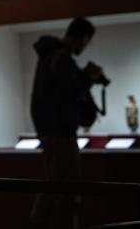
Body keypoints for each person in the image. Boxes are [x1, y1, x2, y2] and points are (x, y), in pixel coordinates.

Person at [28, 17, 100, 229]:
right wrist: (87, 79)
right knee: (68, 190)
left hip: (51, 131)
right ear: (83, 38)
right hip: (61, 133)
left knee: (53, 185)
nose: (85, 47)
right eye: (87, 42)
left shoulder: (51, 55)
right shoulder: (61, 58)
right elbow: (69, 93)